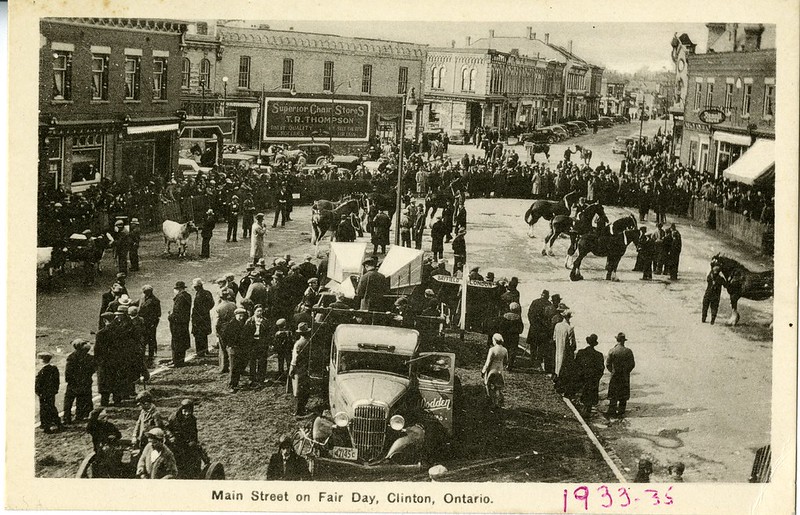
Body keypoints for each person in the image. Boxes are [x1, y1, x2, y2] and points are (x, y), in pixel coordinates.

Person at [167, 399, 203, 479]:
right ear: (181, 409)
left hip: (186, 441)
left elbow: (194, 432)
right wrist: (171, 436)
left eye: (189, 412)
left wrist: (194, 441)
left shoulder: (192, 419)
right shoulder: (173, 418)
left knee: (195, 452)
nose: (187, 414)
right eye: (185, 411)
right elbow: (167, 429)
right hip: (175, 441)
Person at [63, 338, 96, 424]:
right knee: (81, 399)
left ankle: (67, 418)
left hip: (73, 382)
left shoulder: (71, 357)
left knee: (68, 401)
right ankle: (79, 415)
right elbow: (93, 370)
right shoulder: (90, 358)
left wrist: (69, 380)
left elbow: (68, 371)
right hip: (85, 381)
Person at [573, 334, 605, 418]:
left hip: (582, 379)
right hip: (593, 380)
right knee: (591, 395)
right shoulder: (599, 355)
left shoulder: (581, 352)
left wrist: (579, 377)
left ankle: (584, 409)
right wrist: (597, 378)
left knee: (583, 394)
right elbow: (601, 369)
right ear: (595, 344)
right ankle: (587, 409)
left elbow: (576, 366)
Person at [606, 332, 635, 417]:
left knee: (613, 394)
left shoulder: (612, 351)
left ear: (617, 340)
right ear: (624, 341)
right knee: (623, 394)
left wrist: (612, 371)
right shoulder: (628, 351)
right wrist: (626, 372)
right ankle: (621, 412)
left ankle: (612, 411)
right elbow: (632, 364)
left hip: (615, 376)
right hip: (624, 376)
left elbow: (608, 364)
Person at [244, 304, 271, 386]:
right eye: (258, 311)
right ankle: (252, 377)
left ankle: (261, 377)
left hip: (262, 342)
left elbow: (268, 333)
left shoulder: (265, 321)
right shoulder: (249, 321)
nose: (259, 313)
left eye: (261, 311)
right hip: (252, 342)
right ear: (254, 312)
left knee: (262, 360)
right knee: (252, 360)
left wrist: (267, 342)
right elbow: (246, 333)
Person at [224, 308, 250, 392]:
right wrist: (230, 345)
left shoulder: (244, 324)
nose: (241, 317)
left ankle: (236, 383)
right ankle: (231, 385)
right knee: (233, 367)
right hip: (233, 348)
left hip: (241, 348)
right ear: (235, 315)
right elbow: (224, 335)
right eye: (239, 316)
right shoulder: (231, 324)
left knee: (239, 365)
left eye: (242, 316)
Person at [36, 352, 62, 433]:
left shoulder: (43, 370)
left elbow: (38, 383)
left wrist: (38, 392)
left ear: (42, 360)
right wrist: (55, 390)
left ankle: (46, 426)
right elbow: (56, 381)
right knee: (51, 407)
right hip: (51, 392)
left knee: (44, 409)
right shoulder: (54, 368)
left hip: (43, 393)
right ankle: (58, 423)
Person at [290, 323, 312, 417]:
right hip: (307, 367)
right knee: (304, 389)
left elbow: (295, 358)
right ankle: (302, 408)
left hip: (299, 368)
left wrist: (292, 368)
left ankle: (299, 411)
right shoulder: (310, 341)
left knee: (298, 389)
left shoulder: (298, 343)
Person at [168, 281, 192, 368]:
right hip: (184, 323)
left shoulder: (180, 298)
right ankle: (179, 360)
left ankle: (177, 362)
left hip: (177, 324)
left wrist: (170, 316)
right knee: (182, 341)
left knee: (176, 342)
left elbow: (177, 313)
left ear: (179, 289)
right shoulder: (187, 296)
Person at [526, 289, 550, 372]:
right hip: (542, 329)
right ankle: (538, 362)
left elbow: (529, 314)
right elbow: (548, 318)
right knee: (541, 346)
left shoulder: (535, 302)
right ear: (547, 296)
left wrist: (532, 323)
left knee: (533, 345)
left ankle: (532, 360)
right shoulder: (548, 304)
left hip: (534, 327)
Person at [482, 333, 508, 406]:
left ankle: (489, 399)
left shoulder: (492, 349)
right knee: (498, 387)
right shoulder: (505, 350)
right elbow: (506, 361)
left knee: (487, 384)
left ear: (495, 340)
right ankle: (497, 402)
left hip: (492, 370)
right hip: (500, 370)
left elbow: (488, 362)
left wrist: (483, 370)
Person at [191, 278, 214, 358]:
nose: (194, 288)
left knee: (198, 335)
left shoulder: (199, 294)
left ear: (198, 287)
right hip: (205, 316)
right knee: (204, 334)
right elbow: (212, 304)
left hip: (198, 317)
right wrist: (206, 310)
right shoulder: (207, 293)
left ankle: (200, 353)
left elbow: (197, 307)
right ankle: (205, 350)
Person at [497, 302, 524, 371]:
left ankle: (504, 363)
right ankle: (510, 365)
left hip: (505, 335)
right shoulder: (518, 318)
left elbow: (501, 327)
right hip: (514, 336)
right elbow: (521, 329)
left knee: (505, 348)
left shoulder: (505, 316)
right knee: (513, 350)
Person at [215, 289, 237, 373]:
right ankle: (231, 365)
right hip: (231, 328)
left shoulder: (219, 307)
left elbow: (216, 321)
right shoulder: (233, 305)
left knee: (222, 348)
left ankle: (223, 367)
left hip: (223, 329)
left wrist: (216, 331)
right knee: (230, 347)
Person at [139, 285, 161, 364]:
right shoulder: (143, 298)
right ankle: (144, 354)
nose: (145, 293)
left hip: (150, 323)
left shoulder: (155, 300)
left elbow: (158, 314)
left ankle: (151, 355)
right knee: (143, 339)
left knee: (151, 339)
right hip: (143, 322)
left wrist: (154, 324)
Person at [553, 310, 576, 382]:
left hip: (558, 347)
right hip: (566, 349)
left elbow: (554, 338)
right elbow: (572, 344)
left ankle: (557, 376)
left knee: (558, 361)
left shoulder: (557, 325)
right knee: (564, 364)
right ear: (569, 318)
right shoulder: (570, 328)